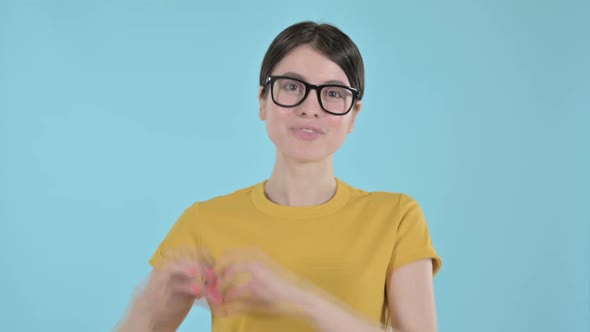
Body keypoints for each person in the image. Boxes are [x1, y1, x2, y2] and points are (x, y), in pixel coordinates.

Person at [116, 21, 442, 332]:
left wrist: (295, 297)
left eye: (332, 93)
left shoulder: (396, 218)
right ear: (262, 101)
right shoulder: (203, 222)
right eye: (291, 86)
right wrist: (144, 303)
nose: (310, 108)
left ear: (354, 114)